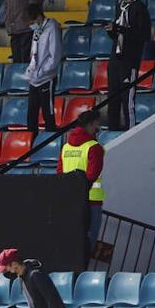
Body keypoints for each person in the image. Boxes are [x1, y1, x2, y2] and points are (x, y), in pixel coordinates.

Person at [59, 110, 106, 257]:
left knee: (71, 240)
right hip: (92, 201)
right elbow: (93, 174)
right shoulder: (94, 147)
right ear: (91, 124)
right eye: (97, 123)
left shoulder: (66, 147)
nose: (99, 127)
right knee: (89, 241)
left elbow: (60, 172)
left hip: (70, 199)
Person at [106, 0, 150, 130]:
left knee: (127, 101)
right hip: (115, 59)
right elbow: (119, 34)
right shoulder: (119, 6)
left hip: (129, 60)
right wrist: (112, 31)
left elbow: (141, 34)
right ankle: (112, 134)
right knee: (112, 99)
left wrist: (120, 29)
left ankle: (131, 134)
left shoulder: (139, 8)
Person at [25, 5, 62, 136]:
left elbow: (54, 55)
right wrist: (31, 70)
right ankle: (31, 142)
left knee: (48, 112)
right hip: (34, 78)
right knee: (31, 113)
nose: (31, 26)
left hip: (46, 78)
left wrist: (41, 72)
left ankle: (51, 140)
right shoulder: (37, 29)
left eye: (32, 22)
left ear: (39, 17)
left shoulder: (52, 28)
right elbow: (34, 51)